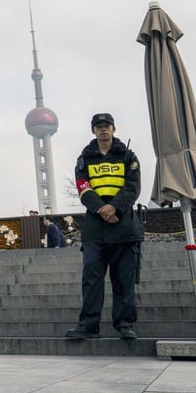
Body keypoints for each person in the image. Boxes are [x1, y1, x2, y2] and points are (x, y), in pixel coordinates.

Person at [66, 113, 144, 341]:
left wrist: (115, 207)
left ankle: (125, 324)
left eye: (107, 126)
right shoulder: (84, 159)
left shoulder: (128, 156)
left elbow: (133, 187)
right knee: (91, 278)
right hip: (95, 229)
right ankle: (89, 325)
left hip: (124, 227)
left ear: (113, 128)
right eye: (99, 127)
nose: (103, 130)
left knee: (124, 279)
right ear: (93, 131)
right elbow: (83, 188)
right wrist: (103, 209)